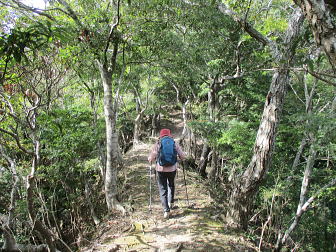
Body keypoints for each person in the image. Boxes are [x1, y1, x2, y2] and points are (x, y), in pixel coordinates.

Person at [148, 128, 186, 219]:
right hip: (172, 169)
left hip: (161, 170)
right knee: (171, 185)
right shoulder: (174, 143)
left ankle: (166, 210)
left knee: (163, 189)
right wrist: (181, 157)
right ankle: (171, 202)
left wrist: (150, 159)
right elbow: (183, 156)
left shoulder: (158, 144)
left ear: (161, 135)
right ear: (169, 135)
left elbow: (151, 158)